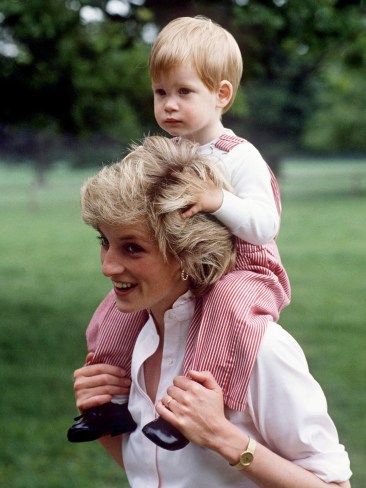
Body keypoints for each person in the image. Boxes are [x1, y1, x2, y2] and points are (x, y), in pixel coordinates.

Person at [71, 135, 352, 487]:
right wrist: (100, 418)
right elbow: (151, 475)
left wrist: (224, 438)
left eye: (132, 248)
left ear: (188, 252)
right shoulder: (134, 340)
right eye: (105, 242)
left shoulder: (260, 349)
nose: (108, 266)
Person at [67, 15, 291, 449]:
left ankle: (187, 409)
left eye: (184, 92)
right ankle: (108, 401)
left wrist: (217, 201)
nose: (169, 105)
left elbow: (265, 226)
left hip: (245, 268)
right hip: (184, 263)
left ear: (221, 94)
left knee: (227, 307)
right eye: (160, 92)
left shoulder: (237, 155)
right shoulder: (171, 151)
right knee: (113, 312)